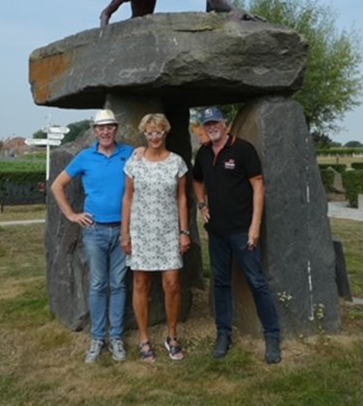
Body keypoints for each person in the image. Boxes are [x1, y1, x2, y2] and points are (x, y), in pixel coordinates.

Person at [192, 106, 282, 364]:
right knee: (220, 283)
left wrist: (255, 227)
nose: (212, 127)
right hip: (217, 232)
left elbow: (258, 187)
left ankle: (272, 336)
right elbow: (197, 180)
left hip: (243, 230)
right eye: (208, 124)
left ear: (226, 124)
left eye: (216, 123)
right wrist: (202, 204)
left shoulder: (243, 150)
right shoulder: (204, 153)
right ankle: (224, 334)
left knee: (257, 282)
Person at [49, 108, 134, 364]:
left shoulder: (129, 154)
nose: (105, 132)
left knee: (119, 285)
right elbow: (57, 185)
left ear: (116, 129)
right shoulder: (85, 157)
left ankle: (116, 337)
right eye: (100, 128)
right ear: (95, 131)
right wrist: (72, 215)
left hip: (122, 230)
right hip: (94, 231)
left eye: (109, 127)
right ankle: (98, 338)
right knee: (98, 284)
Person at [121, 113, 190, 363]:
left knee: (172, 283)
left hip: (169, 231)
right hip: (141, 231)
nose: (154, 136)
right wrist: (125, 233)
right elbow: (127, 198)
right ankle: (143, 338)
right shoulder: (134, 162)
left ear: (165, 133)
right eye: (150, 132)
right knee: (141, 284)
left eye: (158, 131)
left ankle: (172, 336)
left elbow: (182, 198)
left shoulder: (177, 163)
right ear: (145, 134)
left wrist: (184, 232)